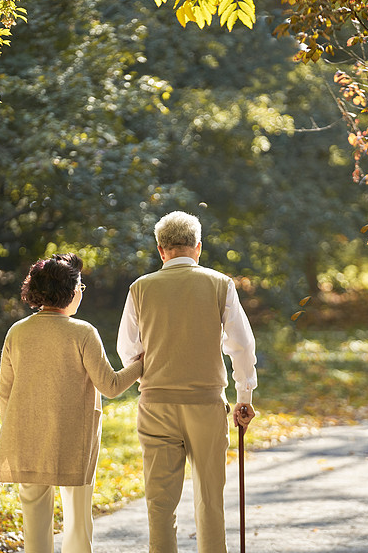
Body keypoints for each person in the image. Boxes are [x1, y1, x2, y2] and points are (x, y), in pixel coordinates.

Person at [117, 211, 258, 553]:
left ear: (161, 250)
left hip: (156, 406)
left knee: (160, 505)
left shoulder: (141, 288)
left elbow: (128, 351)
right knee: (210, 499)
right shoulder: (220, 284)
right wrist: (244, 396)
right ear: (198, 248)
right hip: (206, 405)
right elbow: (241, 346)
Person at [0, 253, 144, 553]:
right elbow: (111, 385)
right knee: (77, 520)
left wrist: (18, 427)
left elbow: (4, 393)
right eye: (80, 286)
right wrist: (141, 365)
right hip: (73, 439)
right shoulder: (83, 333)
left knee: (34, 525)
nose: (81, 292)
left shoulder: (17, 332)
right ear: (70, 291)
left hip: (27, 439)